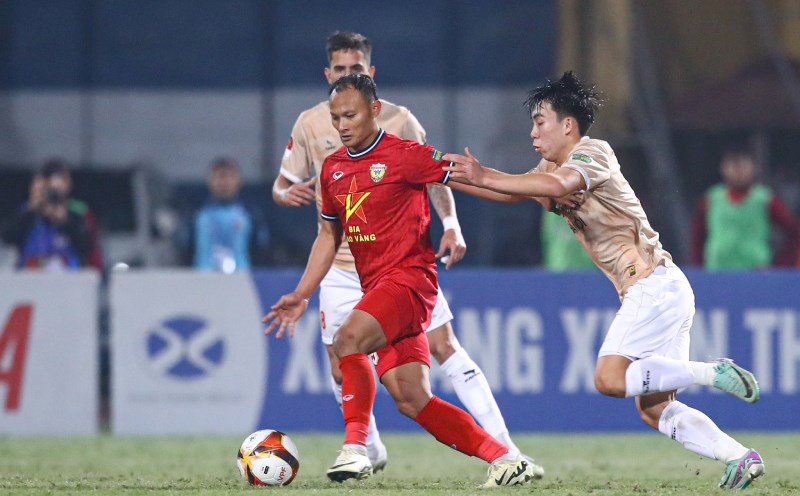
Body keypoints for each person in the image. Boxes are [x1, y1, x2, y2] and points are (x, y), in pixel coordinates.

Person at [444, 71, 765, 490]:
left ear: (568, 125)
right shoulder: (551, 167)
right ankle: (741, 457)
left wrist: (484, 174)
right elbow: (520, 191)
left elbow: (556, 185)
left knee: (608, 379)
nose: (533, 132)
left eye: (540, 122)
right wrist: (455, 177)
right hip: (665, 289)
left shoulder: (593, 153)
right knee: (653, 410)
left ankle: (711, 371)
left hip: (652, 285)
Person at [271, 30, 541, 475]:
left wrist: (524, 191)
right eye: (337, 117)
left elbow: (471, 180)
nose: (341, 126)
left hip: (410, 282)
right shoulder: (333, 169)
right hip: (374, 286)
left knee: (347, 342)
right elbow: (327, 236)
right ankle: (505, 460)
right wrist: (302, 293)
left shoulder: (406, 153)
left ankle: (356, 449)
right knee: (411, 399)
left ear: (374, 110)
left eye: (351, 116)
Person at [689, 145, 800, 270]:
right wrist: (698, 269)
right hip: (717, 272)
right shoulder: (711, 199)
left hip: (755, 274)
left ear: (754, 168)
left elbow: (794, 232)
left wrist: (779, 266)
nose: (738, 171)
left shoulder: (766, 200)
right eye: (732, 165)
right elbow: (696, 238)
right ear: (723, 168)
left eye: (743, 165)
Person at [1, 161, 96, 270]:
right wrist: (34, 207)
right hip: (29, 279)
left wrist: (65, 220)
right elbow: (7, 237)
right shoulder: (28, 212)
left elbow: (88, 246)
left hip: (69, 280)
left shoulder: (76, 212)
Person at [193, 157, 266, 273]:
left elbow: (262, 249)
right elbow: (184, 248)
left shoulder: (251, 215)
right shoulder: (196, 214)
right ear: (210, 180)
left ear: (239, 181)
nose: (224, 183)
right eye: (219, 177)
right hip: (201, 280)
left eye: (229, 177)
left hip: (244, 280)